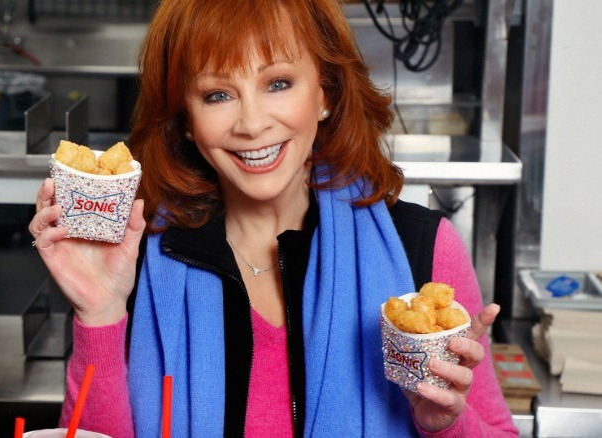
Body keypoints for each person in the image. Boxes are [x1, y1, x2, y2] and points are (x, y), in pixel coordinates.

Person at [28, 0, 519, 436]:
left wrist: (446, 426)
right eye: (217, 94)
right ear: (186, 119)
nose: (252, 123)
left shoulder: (423, 248)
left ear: (325, 92)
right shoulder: (133, 262)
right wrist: (100, 313)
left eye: (278, 83)